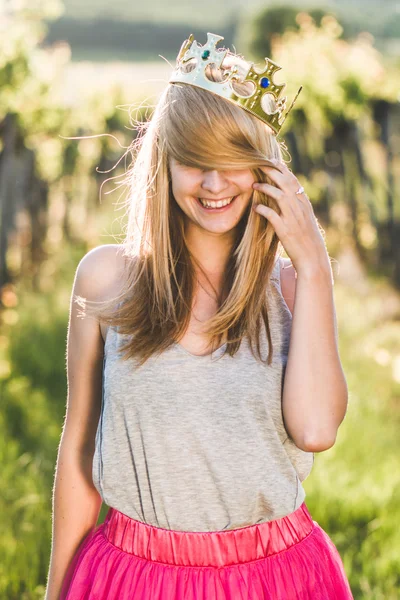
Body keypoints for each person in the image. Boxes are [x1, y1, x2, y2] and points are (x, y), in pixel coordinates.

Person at [45, 32, 354, 600]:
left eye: (234, 162)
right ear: (165, 164)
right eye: (195, 162)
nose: (215, 184)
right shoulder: (106, 281)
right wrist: (56, 590)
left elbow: (315, 429)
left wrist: (314, 266)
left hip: (272, 578)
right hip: (136, 574)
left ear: (264, 170)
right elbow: (79, 449)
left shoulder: (290, 290)